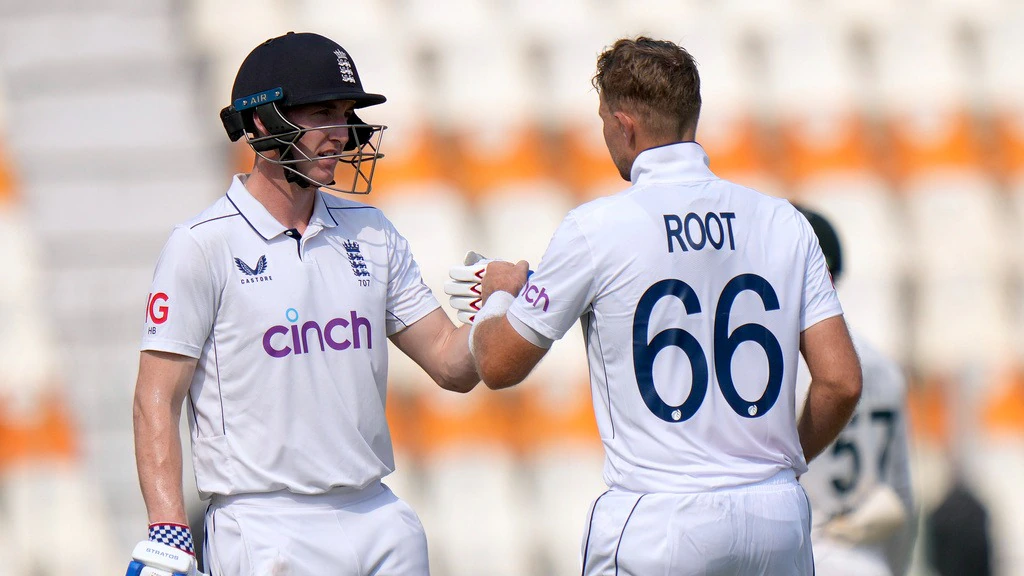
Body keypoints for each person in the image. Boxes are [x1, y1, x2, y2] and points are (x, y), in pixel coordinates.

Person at [461, 37, 862, 575]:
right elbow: (841, 382)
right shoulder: (784, 221)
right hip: (776, 519)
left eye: (603, 119)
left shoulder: (595, 229)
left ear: (624, 125)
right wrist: (778, 469)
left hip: (662, 520)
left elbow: (497, 365)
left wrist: (499, 296)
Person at [131, 32, 479, 576]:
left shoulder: (371, 230)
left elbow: (450, 362)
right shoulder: (201, 244)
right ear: (264, 123)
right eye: (323, 114)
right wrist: (168, 528)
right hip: (267, 527)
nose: (341, 136)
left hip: (380, 514)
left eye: (346, 115)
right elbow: (156, 397)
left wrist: (508, 311)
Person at [794, 206, 916, 576]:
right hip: (868, 559)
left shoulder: (772, 368)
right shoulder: (882, 366)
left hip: (801, 555)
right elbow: (901, 493)